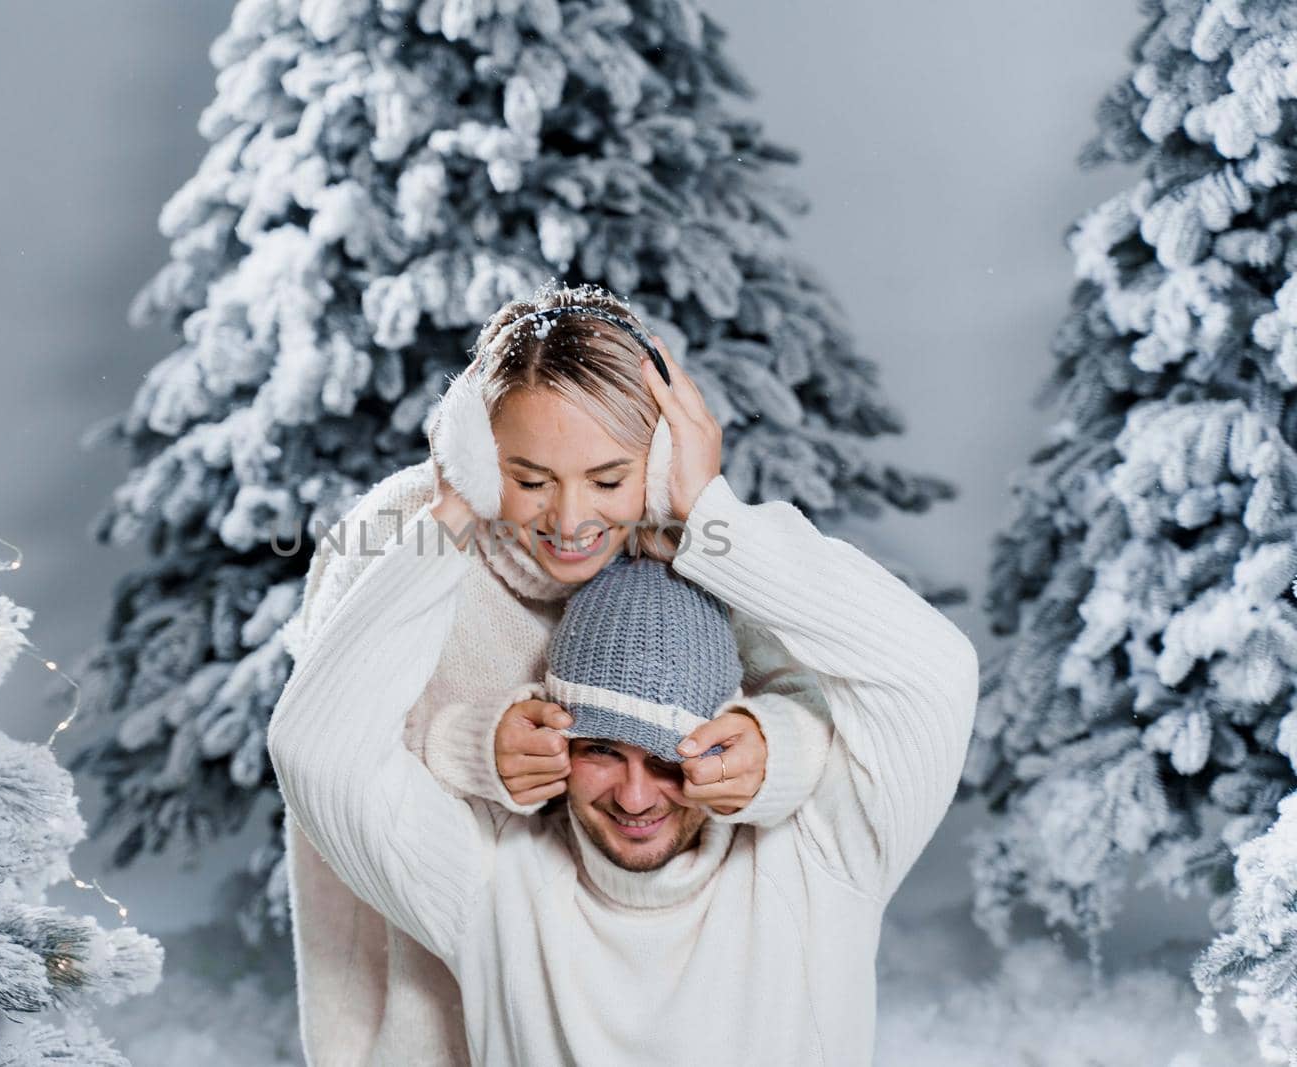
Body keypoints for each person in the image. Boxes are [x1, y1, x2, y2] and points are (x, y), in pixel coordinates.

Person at [269, 296, 980, 1064]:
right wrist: (471, 739)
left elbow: (861, 684)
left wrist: (779, 744)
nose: (571, 519)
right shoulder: (408, 554)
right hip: (437, 995)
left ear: (660, 461)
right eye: (528, 477)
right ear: (478, 458)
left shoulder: (694, 559)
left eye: (608, 478)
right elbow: (328, 750)